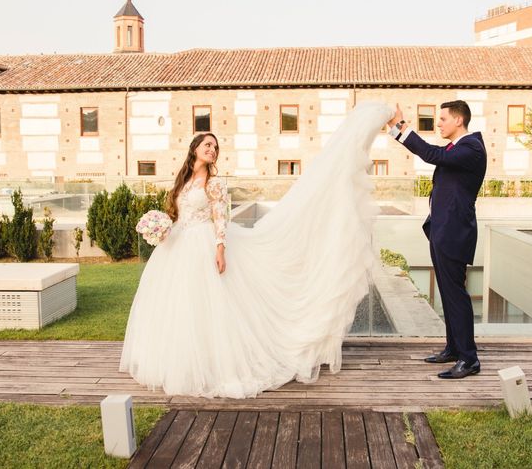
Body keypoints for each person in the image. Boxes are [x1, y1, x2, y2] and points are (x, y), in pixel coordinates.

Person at [120, 102, 393, 398]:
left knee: (210, 304)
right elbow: (178, 215)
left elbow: (220, 216)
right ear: (194, 149)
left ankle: (219, 363)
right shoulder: (183, 182)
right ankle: (187, 359)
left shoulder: (213, 184)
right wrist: (161, 228)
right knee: (182, 304)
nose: (212, 149)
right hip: (178, 247)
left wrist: (220, 248)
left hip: (205, 244)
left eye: (215, 147)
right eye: (207, 145)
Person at [386, 100, 486, 379]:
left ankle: (469, 359)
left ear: (458, 120)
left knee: (456, 296)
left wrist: (402, 127)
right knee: (448, 293)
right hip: (443, 231)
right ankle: (454, 348)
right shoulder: (458, 148)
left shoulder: (472, 148)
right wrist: (395, 131)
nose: (438, 123)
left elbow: (432, 155)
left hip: (455, 233)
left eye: (442, 119)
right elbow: (436, 155)